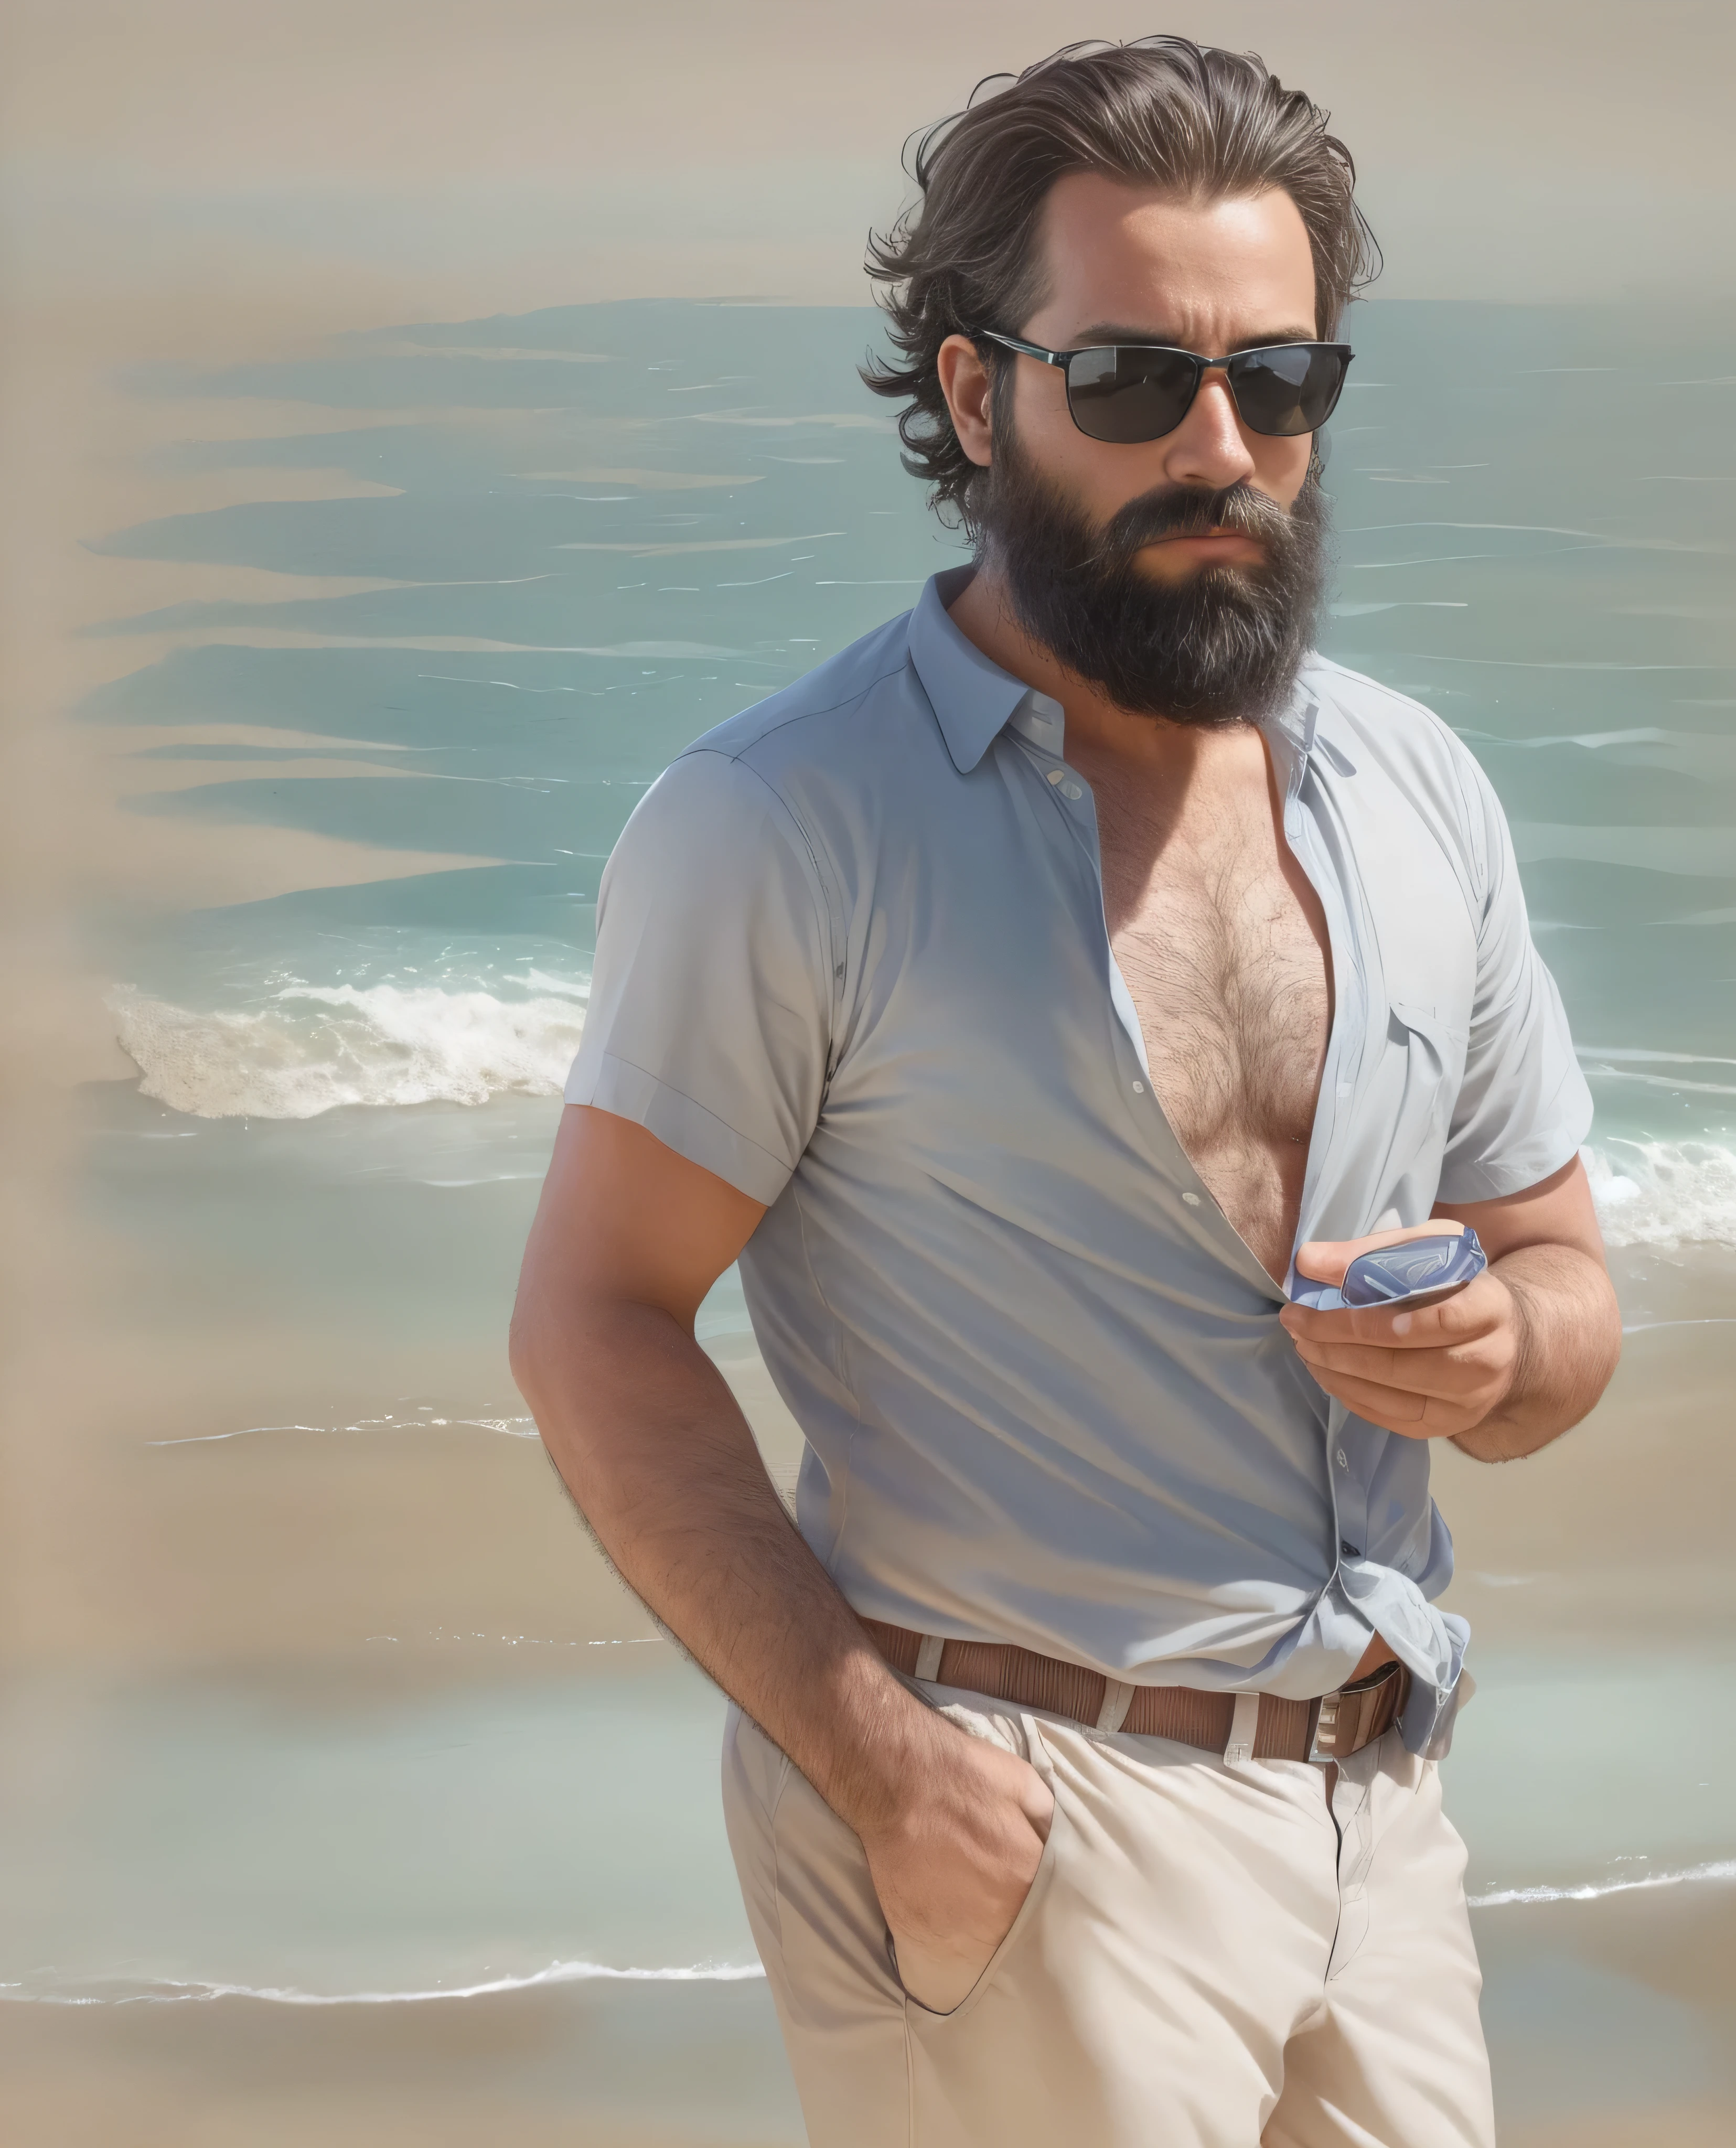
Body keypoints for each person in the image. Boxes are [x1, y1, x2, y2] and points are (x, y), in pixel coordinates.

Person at [510, 36, 1620, 2147]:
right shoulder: (783, 824)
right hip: (1015, 1806)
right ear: (971, 391)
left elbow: (1565, 1285)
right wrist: (883, 1770)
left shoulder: (1417, 792)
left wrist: (1499, 1349)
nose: (1219, 442)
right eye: (1130, 381)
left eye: (1277, 381)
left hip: (1382, 1819)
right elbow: (592, 1317)